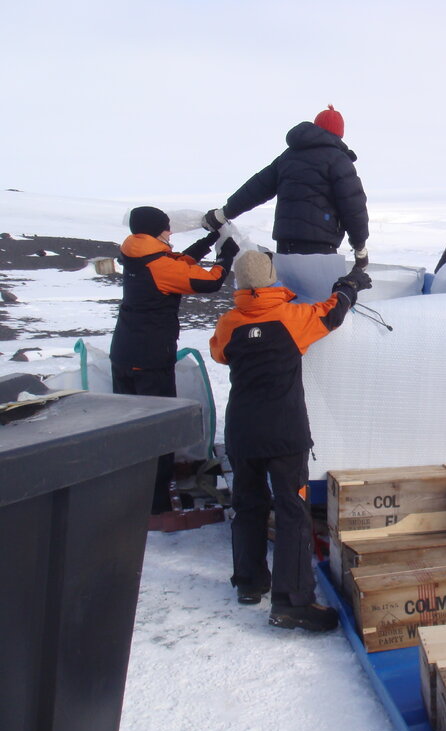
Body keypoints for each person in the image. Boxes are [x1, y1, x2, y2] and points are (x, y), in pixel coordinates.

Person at [210, 249, 372, 631]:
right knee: (292, 511)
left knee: (247, 505)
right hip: (284, 433)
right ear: (272, 278)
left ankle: (249, 583)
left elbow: (219, 354)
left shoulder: (229, 323)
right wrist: (348, 286)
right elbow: (332, 313)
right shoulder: (291, 318)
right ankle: (292, 602)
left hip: (242, 430)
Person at [111, 206, 238, 516]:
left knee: (129, 429)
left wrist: (208, 241)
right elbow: (209, 281)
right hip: (150, 359)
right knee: (159, 431)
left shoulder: (136, 253)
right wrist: (226, 256)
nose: (170, 232)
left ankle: (129, 496)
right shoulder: (158, 265)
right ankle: (156, 505)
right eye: (167, 228)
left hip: (125, 354)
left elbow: (177, 263)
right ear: (157, 231)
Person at [202, 104, 370, 269]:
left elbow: (256, 188)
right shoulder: (339, 160)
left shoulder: (288, 157)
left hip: (285, 242)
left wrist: (223, 213)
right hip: (320, 245)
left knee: (289, 287)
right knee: (319, 288)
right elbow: (353, 207)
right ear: (339, 134)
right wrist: (360, 246)